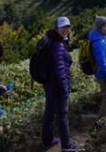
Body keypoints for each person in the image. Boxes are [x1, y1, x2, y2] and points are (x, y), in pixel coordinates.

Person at [41, 17, 77, 151]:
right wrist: (65, 89)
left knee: (49, 113)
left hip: (49, 84)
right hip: (57, 86)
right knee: (62, 116)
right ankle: (67, 146)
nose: (65, 30)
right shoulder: (58, 46)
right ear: (56, 29)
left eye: (67, 27)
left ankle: (47, 141)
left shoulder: (52, 41)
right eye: (62, 27)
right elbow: (61, 70)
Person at [89, 16, 106, 123]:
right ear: (99, 28)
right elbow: (101, 61)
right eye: (104, 26)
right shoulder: (98, 42)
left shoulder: (104, 38)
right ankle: (100, 123)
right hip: (104, 73)